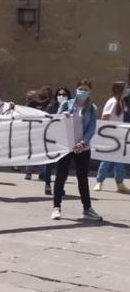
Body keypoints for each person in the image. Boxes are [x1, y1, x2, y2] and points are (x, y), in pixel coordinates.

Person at [51, 79, 102, 221]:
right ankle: (56, 207)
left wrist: (83, 143)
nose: (83, 92)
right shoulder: (66, 104)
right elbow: (56, 122)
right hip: (66, 146)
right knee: (61, 176)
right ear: (76, 90)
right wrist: (63, 116)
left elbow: (91, 128)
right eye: (80, 88)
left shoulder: (92, 109)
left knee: (82, 178)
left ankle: (87, 208)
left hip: (82, 148)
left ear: (90, 91)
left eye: (86, 89)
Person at [93, 81, 128, 193]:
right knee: (107, 158)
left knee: (120, 160)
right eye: (126, 88)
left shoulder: (123, 103)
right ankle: (99, 181)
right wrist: (105, 132)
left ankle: (119, 183)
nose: (127, 90)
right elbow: (105, 117)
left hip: (120, 135)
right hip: (110, 135)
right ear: (120, 90)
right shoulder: (112, 102)